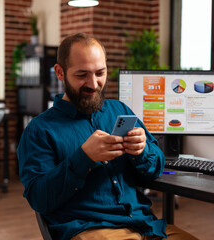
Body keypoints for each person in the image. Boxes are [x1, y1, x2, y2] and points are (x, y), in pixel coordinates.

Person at [17, 33, 198, 240]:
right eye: (82, 74)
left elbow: (156, 167)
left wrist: (142, 151)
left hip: (147, 226)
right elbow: (39, 199)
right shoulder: (39, 130)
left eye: (99, 73)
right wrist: (84, 157)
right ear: (60, 72)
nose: (93, 84)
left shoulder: (119, 110)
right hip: (91, 230)